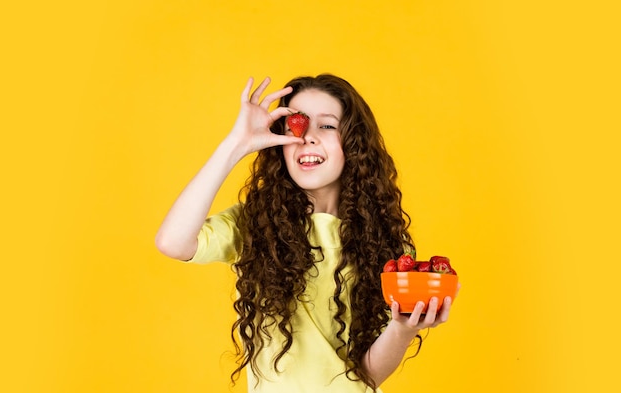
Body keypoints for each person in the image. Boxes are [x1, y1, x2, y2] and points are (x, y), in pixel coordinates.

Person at [155, 74, 456, 392]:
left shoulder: (380, 241)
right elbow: (172, 242)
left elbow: (368, 375)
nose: (307, 137)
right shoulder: (255, 225)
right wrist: (236, 143)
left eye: (326, 125)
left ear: (353, 144)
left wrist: (402, 327)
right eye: (295, 124)